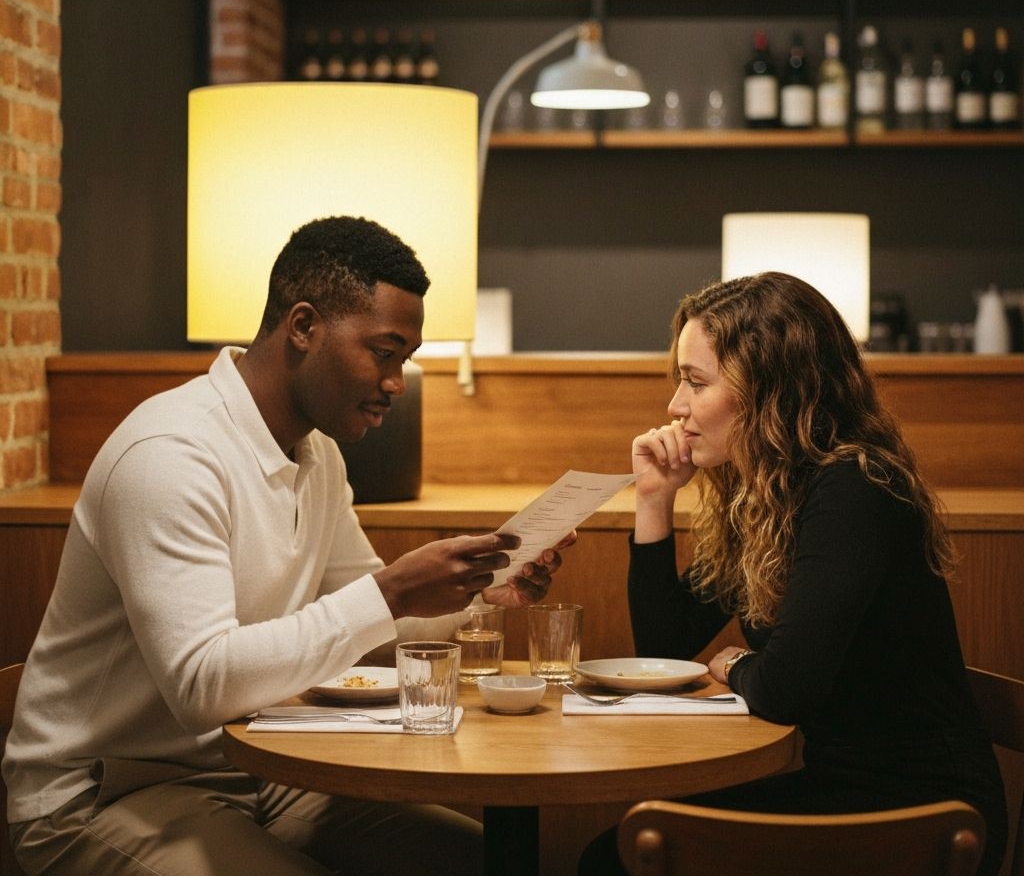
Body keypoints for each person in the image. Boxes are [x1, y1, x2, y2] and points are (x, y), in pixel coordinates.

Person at [4, 215, 571, 876]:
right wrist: (389, 591)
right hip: (103, 792)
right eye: (383, 353)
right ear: (303, 327)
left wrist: (481, 595)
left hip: (252, 765)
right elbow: (202, 685)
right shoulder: (170, 455)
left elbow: (372, 625)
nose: (395, 382)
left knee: (484, 863)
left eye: (404, 361)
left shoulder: (318, 455)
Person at [579, 271, 1006, 876]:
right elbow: (664, 648)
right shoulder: (766, 493)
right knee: (627, 845)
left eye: (695, 382)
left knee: (623, 856)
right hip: (850, 789)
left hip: (920, 813)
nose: (675, 408)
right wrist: (653, 499)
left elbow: (785, 691)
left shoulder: (853, 488)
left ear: (771, 390)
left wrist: (734, 665)